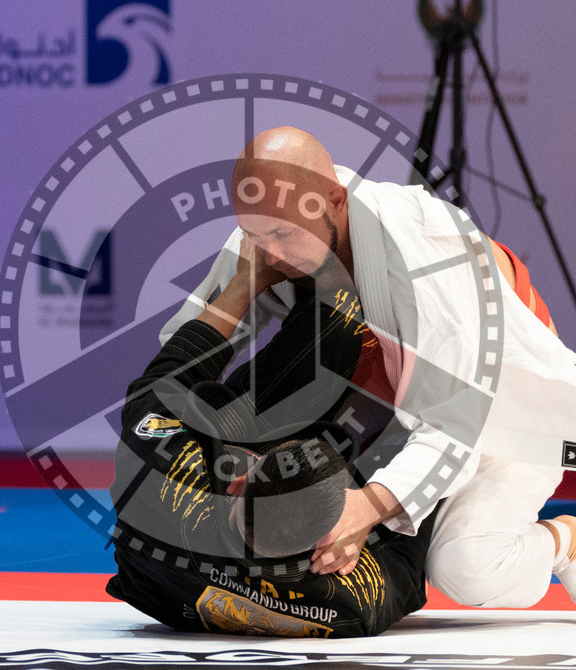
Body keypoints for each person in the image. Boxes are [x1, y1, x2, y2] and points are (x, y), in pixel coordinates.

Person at [158, 127, 576, 625]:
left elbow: (456, 425)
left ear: (336, 200)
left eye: (282, 237)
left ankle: (567, 543)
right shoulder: (270, 221)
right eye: (255, 236)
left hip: (500, 396)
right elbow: (183, 352)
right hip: (385, 397)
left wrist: (364, 509)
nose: (272, 255)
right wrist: (241, 289)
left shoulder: (420, 256)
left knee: (468, 568)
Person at [106, 236, 439, 637]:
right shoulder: (358, 598)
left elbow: (166, 380)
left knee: (341, 317)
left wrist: (246, 281)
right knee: (422, 418)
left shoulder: (166, 482)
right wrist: (370, 511)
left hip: (162, 571)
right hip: (182, 569)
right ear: (334, 533)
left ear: (237, 479)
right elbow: (418, 509)